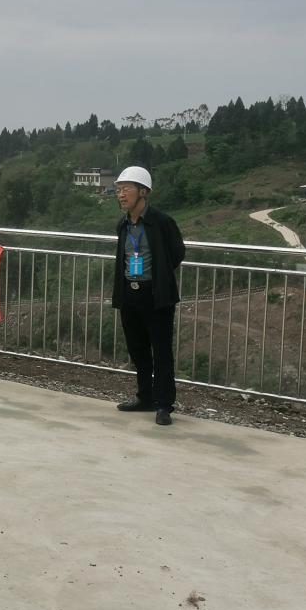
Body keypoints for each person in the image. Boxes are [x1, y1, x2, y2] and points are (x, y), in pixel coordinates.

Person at [111, 166, 186, 426]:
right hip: (130, 294)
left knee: (161, 352)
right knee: (138, 350)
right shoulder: (123, 224)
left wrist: (160, 275)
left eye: (126, 189)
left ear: (143, 192)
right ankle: (144, 397)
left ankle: (164, 405)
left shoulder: (162, 221)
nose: (121, 194)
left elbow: (177, 253)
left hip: (155, 295)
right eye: (118, 190)